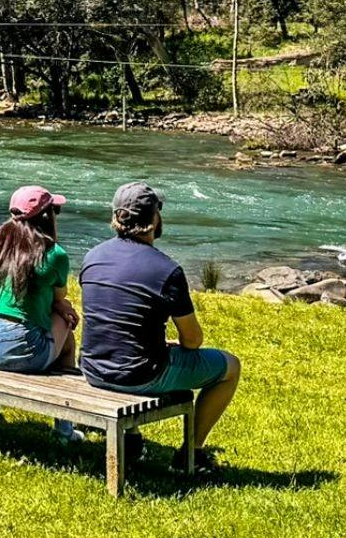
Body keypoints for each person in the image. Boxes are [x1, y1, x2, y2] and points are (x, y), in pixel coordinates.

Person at [79, 181, 242, 471]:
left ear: (117, 217)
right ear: (155, 219)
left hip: (93, 369)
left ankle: (132, 439)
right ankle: (191, 453)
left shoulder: (92, 257)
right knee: (230, 366)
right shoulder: (167, 270)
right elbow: (192, 341)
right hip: (140, 374)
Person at [0, 185, 83, 442]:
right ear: (45, 217)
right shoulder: (53, 254)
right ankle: (65, 430)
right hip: (16, 350)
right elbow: (59, 296)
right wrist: (59, 305)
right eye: (55, 210)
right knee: (66, 326)